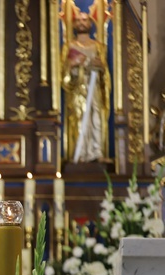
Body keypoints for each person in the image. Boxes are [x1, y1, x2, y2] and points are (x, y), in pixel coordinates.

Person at [62, 11, 110, 163]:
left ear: (90, 24)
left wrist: (100, 67)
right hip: (77, 87)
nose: (82, 22)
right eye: (78, 20)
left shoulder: (98, 46)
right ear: (74, 25)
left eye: (85, 20)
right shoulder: (69, 46)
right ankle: (80, 153)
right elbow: (63, 70)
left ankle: (97, 151)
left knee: (96, 116)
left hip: (94, 85)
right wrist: (74, 63)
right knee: (79, 116)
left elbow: (105, 70)